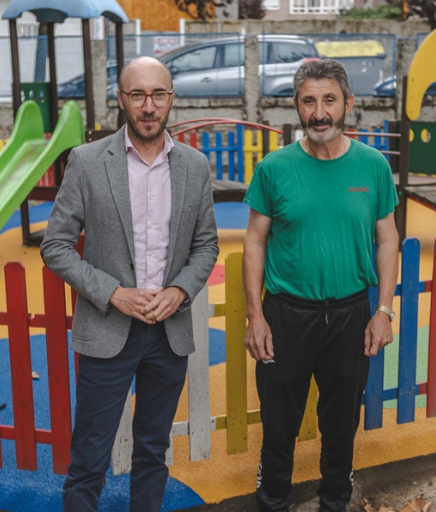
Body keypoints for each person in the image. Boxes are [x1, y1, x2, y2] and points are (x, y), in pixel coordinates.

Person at [41, 56, 219, 512]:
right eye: (137, 95)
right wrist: (112, 293)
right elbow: (55, 245)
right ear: (121, 99)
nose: (148, 106)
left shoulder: (195, 167)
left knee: (152, 452)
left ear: (171, 100)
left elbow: (206, 247)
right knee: (89, 460)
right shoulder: (85, 162)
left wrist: (179, 291)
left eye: (158, 94)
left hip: (168, 333)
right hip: (107, 331)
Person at [242, 59, 399, 512]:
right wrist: (257, 316)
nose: (319, 112)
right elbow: (254, 240)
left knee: (341, 422)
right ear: (297, 107)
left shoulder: (372, 167)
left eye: (329, 100)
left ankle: (335, 501)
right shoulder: (274, 168)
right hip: (287, 315)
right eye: (308, 101)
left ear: (348, 104)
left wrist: (383, 310)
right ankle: (272, 500)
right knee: (279, 424)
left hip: (351, 315)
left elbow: (388, 239)